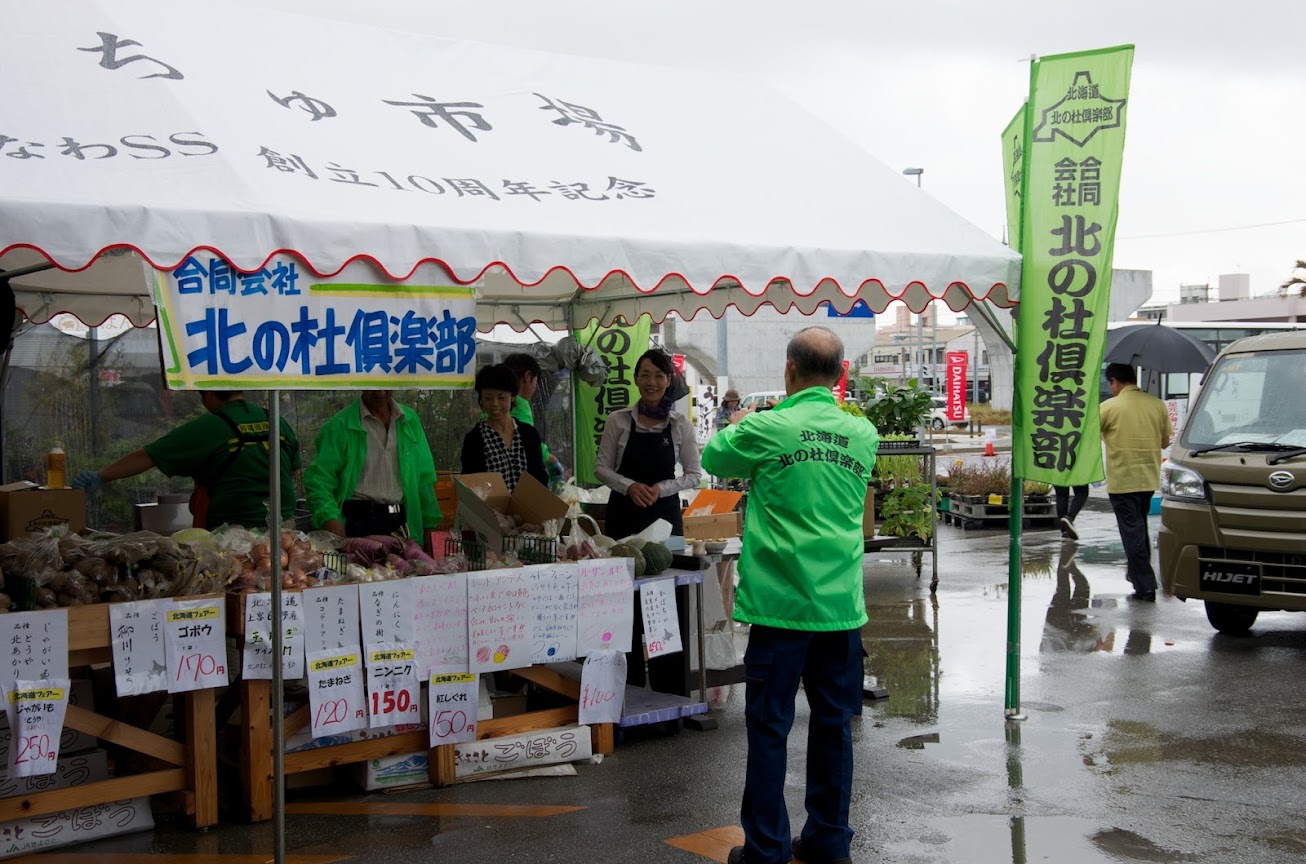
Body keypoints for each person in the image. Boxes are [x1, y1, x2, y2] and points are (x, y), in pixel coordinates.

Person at [702, 327, 879, 864]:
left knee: (770, 729)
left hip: (781, 611)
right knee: (833, 729)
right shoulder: (862, 435)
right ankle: (829, 841)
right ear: (840, 374)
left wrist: (742, 420)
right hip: (840, 611)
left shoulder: (769, 428)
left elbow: (714, 457)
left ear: (789, 370)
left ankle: (767, 849)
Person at [71, 390, 299, 530]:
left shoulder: (210, 426)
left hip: (235, 534)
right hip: (285, 532)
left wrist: (101, 476)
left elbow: (148, 456)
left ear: (208, 395)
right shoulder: (277, 420)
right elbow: (293, 473)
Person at [594, 348, 703, 540]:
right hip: (623, 516)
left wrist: (661, 489)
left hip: (665, 519)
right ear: (636, 378)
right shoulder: (617, 420)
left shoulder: (680, 424)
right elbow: (601, 468)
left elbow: (694, 475)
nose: (651, 382)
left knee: (669, 569)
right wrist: (629, 486)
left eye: (659, 376)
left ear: (668, 380)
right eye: (645, 375)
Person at [303, 390, 440, 539]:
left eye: (385, 385)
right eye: (374, 385)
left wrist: (430, 524)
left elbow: (425, 480)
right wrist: (329, 518)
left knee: (402, 562)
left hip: (401, 521)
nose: (380, 392)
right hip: (356, 522)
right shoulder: (339, 426)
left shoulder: (409, 420)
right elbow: (319, 481)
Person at [1100, 362, 1172, 602]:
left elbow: (1090, 435)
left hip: (1123, 478)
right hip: (1148, 477)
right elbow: (1164, 442)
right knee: (1139, 527)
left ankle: (1145, 585)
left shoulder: (1109, 407)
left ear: (1115, 382)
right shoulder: (1157, 405)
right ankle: (1136, 576)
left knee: (1132, 531)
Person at [461, 364, 548, 492]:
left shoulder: (529, 435)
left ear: (512, 397)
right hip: (489, 511)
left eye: (501, 397)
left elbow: (540, 477)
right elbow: (470, 484)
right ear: (481, 400)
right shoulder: (474, 439)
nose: (495, 404)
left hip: (527, 509)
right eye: (488, 398)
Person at [500, 353, 565, 488]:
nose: (535, 387)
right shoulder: (518, 404)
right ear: (527, 376)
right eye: (536, 381)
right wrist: (550, 459)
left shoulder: (494, 403)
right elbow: (527, 442)